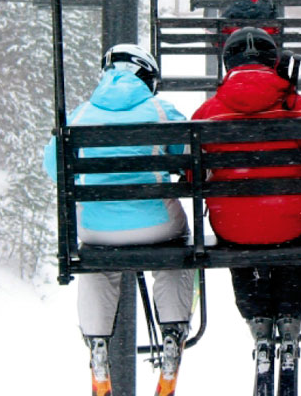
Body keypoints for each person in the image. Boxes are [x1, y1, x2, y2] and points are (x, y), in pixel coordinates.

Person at [42, 44, 195, 396]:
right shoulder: (160, 110)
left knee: (97, 262)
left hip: (98, 229)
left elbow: (54, 170)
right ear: (147, 77)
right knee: (178, 249)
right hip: (156, 225)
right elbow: (190, 157)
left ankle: (97, 343)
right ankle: (172, 331)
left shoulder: (79, 116)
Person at [190, 27, 301, 382]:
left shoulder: (207, 112)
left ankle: (258, 322)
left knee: (239, 225)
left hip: (234, 226)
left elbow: (191, 176)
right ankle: (290, 322)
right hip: (291, 223)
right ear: (273, 61)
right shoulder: (297, 105)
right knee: (294, 235)